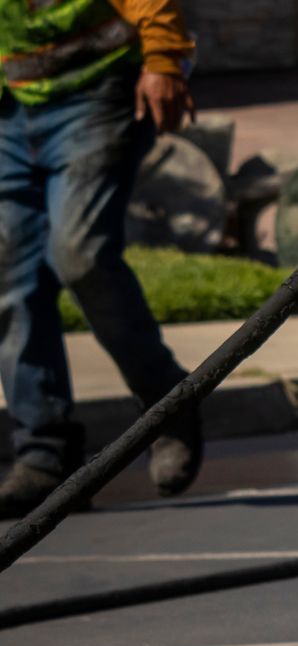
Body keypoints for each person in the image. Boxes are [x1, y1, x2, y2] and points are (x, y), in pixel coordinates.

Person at [0, 0, 203, 518]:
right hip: (9, 111)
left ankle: (167, 404)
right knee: (11, 274)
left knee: (81, 255)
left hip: (97, 95)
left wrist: (162, 61)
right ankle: (46, 454)